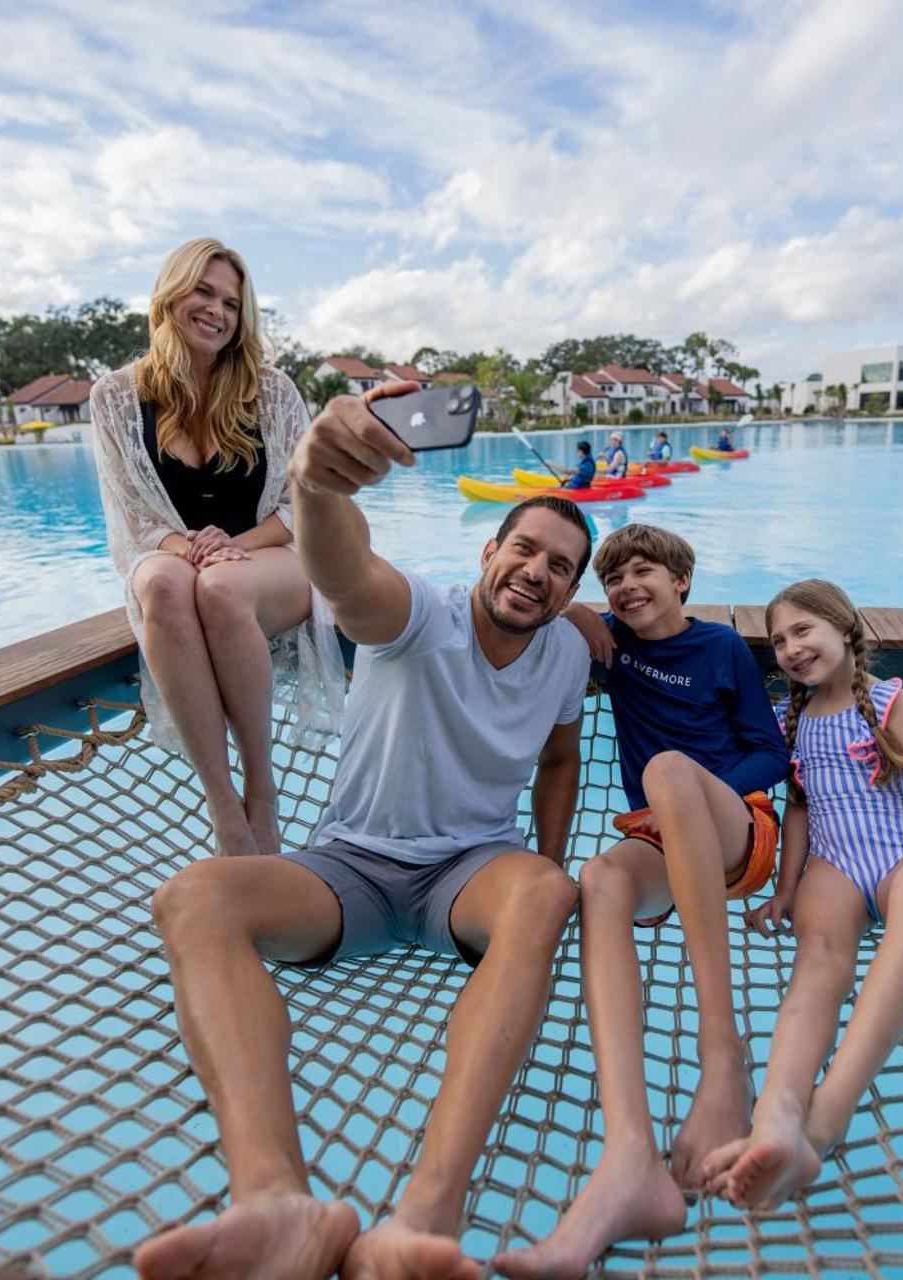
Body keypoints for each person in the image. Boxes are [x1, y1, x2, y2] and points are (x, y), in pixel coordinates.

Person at [135, 382, 595, 1280]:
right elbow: (346, 574)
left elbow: (560, 760)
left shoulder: (571, 650)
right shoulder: (417, 617)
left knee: (550, 891)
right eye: (525, 550)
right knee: (192, 897)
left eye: (562, 567)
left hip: (470, 871)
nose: (538, 572)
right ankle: (276, 1201)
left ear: (573, 589)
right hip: (351, 867)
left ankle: (425, 1218)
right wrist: (313, 484)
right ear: (490, 551)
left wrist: (542, 866)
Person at [497, 524, 788, 1279]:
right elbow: (537, 602)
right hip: (657, 837)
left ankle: (722, 1060)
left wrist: (701, 790)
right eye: (615, 578)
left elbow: (770, 749)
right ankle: (629, 1154)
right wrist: (580, 615)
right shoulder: (614, 651)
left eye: (645, 572)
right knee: (600, 879)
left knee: (666, 766)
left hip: (736, 828)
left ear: (682, 581)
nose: (629, 587)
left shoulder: (721, 648)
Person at [698, 578, 903, 1209]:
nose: (791, 649)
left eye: (803, 631)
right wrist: (786, 891)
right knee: (817, 965)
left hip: (900, 852)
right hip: (834, 864)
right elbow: (797, 811)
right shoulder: (785, 721)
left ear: (846, 630)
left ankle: (822, 1122)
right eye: (778, 640)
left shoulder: (888, 704)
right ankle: (775, 1116)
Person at [90, 236, 340, 859]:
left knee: (222, 585)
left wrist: (231, 546)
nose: (218, 311)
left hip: (270, 555)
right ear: (170, 294)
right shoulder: (115, 397)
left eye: (231, 301)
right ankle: (222, 804)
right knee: (160, 583)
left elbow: (302, 505)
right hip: (176, 558)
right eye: (204, 291)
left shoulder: (273, 390)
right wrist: (192, 549)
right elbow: (130, 519)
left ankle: (262, 788)